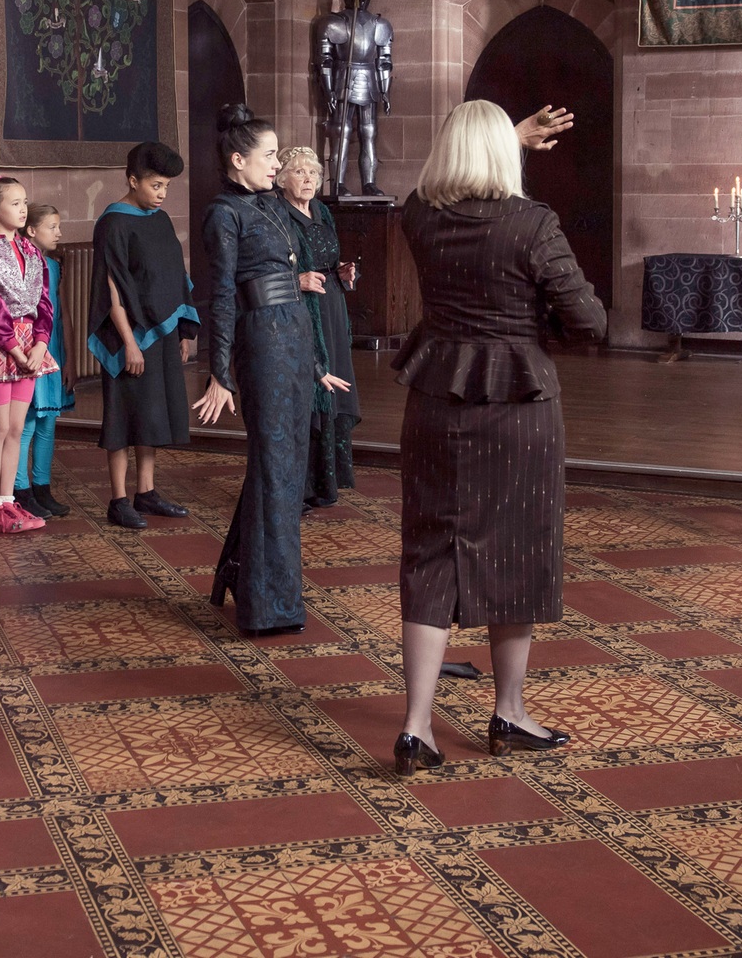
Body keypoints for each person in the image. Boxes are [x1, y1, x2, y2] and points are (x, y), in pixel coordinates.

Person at [389, 100, 605, 775]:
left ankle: (417, 727)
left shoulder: (420, 216)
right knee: (518, 547)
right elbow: (589, 319)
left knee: (429, 553)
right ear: (502, 155)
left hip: (434, 400)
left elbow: (425, 187)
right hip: (517, 409)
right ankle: (508, 714)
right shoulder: (532, 224)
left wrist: (495, 136)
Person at [196, 105, 353, 636]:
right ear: (238, 160)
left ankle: (236, 573)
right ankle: (269, 606)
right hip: (259, 344)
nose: (277, 162)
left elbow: (296, 287)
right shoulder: (224, 213)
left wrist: (314, 365)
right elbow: (219, 296)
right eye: (269, 155)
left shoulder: (273, 206)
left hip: (293, 339)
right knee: (274, 467)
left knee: (284, 465)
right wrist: (220, 372)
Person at [88, 142, 198, 530]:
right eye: (155, 185)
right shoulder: (113, 223)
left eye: (166, 186)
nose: (162, 193)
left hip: (162, 335)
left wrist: (184, 329)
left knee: (152, 416)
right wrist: (130, 342)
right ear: (133, 180)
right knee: (122, 418)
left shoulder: (161, 219)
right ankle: (118, 500)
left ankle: (146, 492)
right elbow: (111, 288)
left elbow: (173, 275)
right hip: (129, 339)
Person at [275, 146, 360, 511]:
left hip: (331, 308)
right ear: (281, 179)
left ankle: (326, 481)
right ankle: (301, 487)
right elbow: (266, 272)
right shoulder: (278, 215)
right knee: (308, 396)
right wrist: (298, 280)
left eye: (312, 173)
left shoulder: (323, 211)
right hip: (300, 312)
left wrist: (343, 272)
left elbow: (328, 259)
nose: (308, 179)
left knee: (334, 391)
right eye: (299, 172)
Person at [0, 176, 55, 533]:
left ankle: (9, 501)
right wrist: (13, 348)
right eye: (15, 203)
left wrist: (40, 343)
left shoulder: (31, 249)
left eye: (25, 202)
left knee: (17, 427)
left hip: (29, 345)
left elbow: (44, 301)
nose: (23, 209)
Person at [14, 203, 75, 518]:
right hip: (31, 352)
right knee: (27, 423)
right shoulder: (23, 262)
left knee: (48, 423)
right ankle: (19, 489)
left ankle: (42, 487)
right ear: (31, 230)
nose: (59, 233)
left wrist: (70, 361)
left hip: (54, 353)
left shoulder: (54, 265)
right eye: (52, 226)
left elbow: (61, 314)